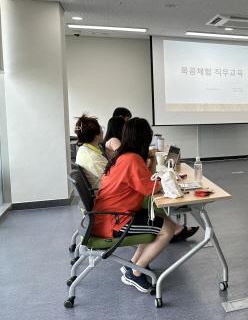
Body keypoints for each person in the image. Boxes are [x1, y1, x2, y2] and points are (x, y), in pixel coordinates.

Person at [93, 117, 198, 293]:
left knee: (160, 224)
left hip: (109, 216)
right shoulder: (132, 160)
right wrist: (168, 182)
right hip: (116, 221)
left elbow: (143, 181)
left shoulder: (124, 157)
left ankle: (135, 265)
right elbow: (149, 188)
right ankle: (135, 272)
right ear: (144, 138)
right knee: (167, 230)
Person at [74, 114, 108, 189]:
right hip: (104, 193)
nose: (102, 131)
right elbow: (113, 179)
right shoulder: (93, 157)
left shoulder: (83, 149)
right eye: (101, 128)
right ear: (96, 135)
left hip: (101, 187)